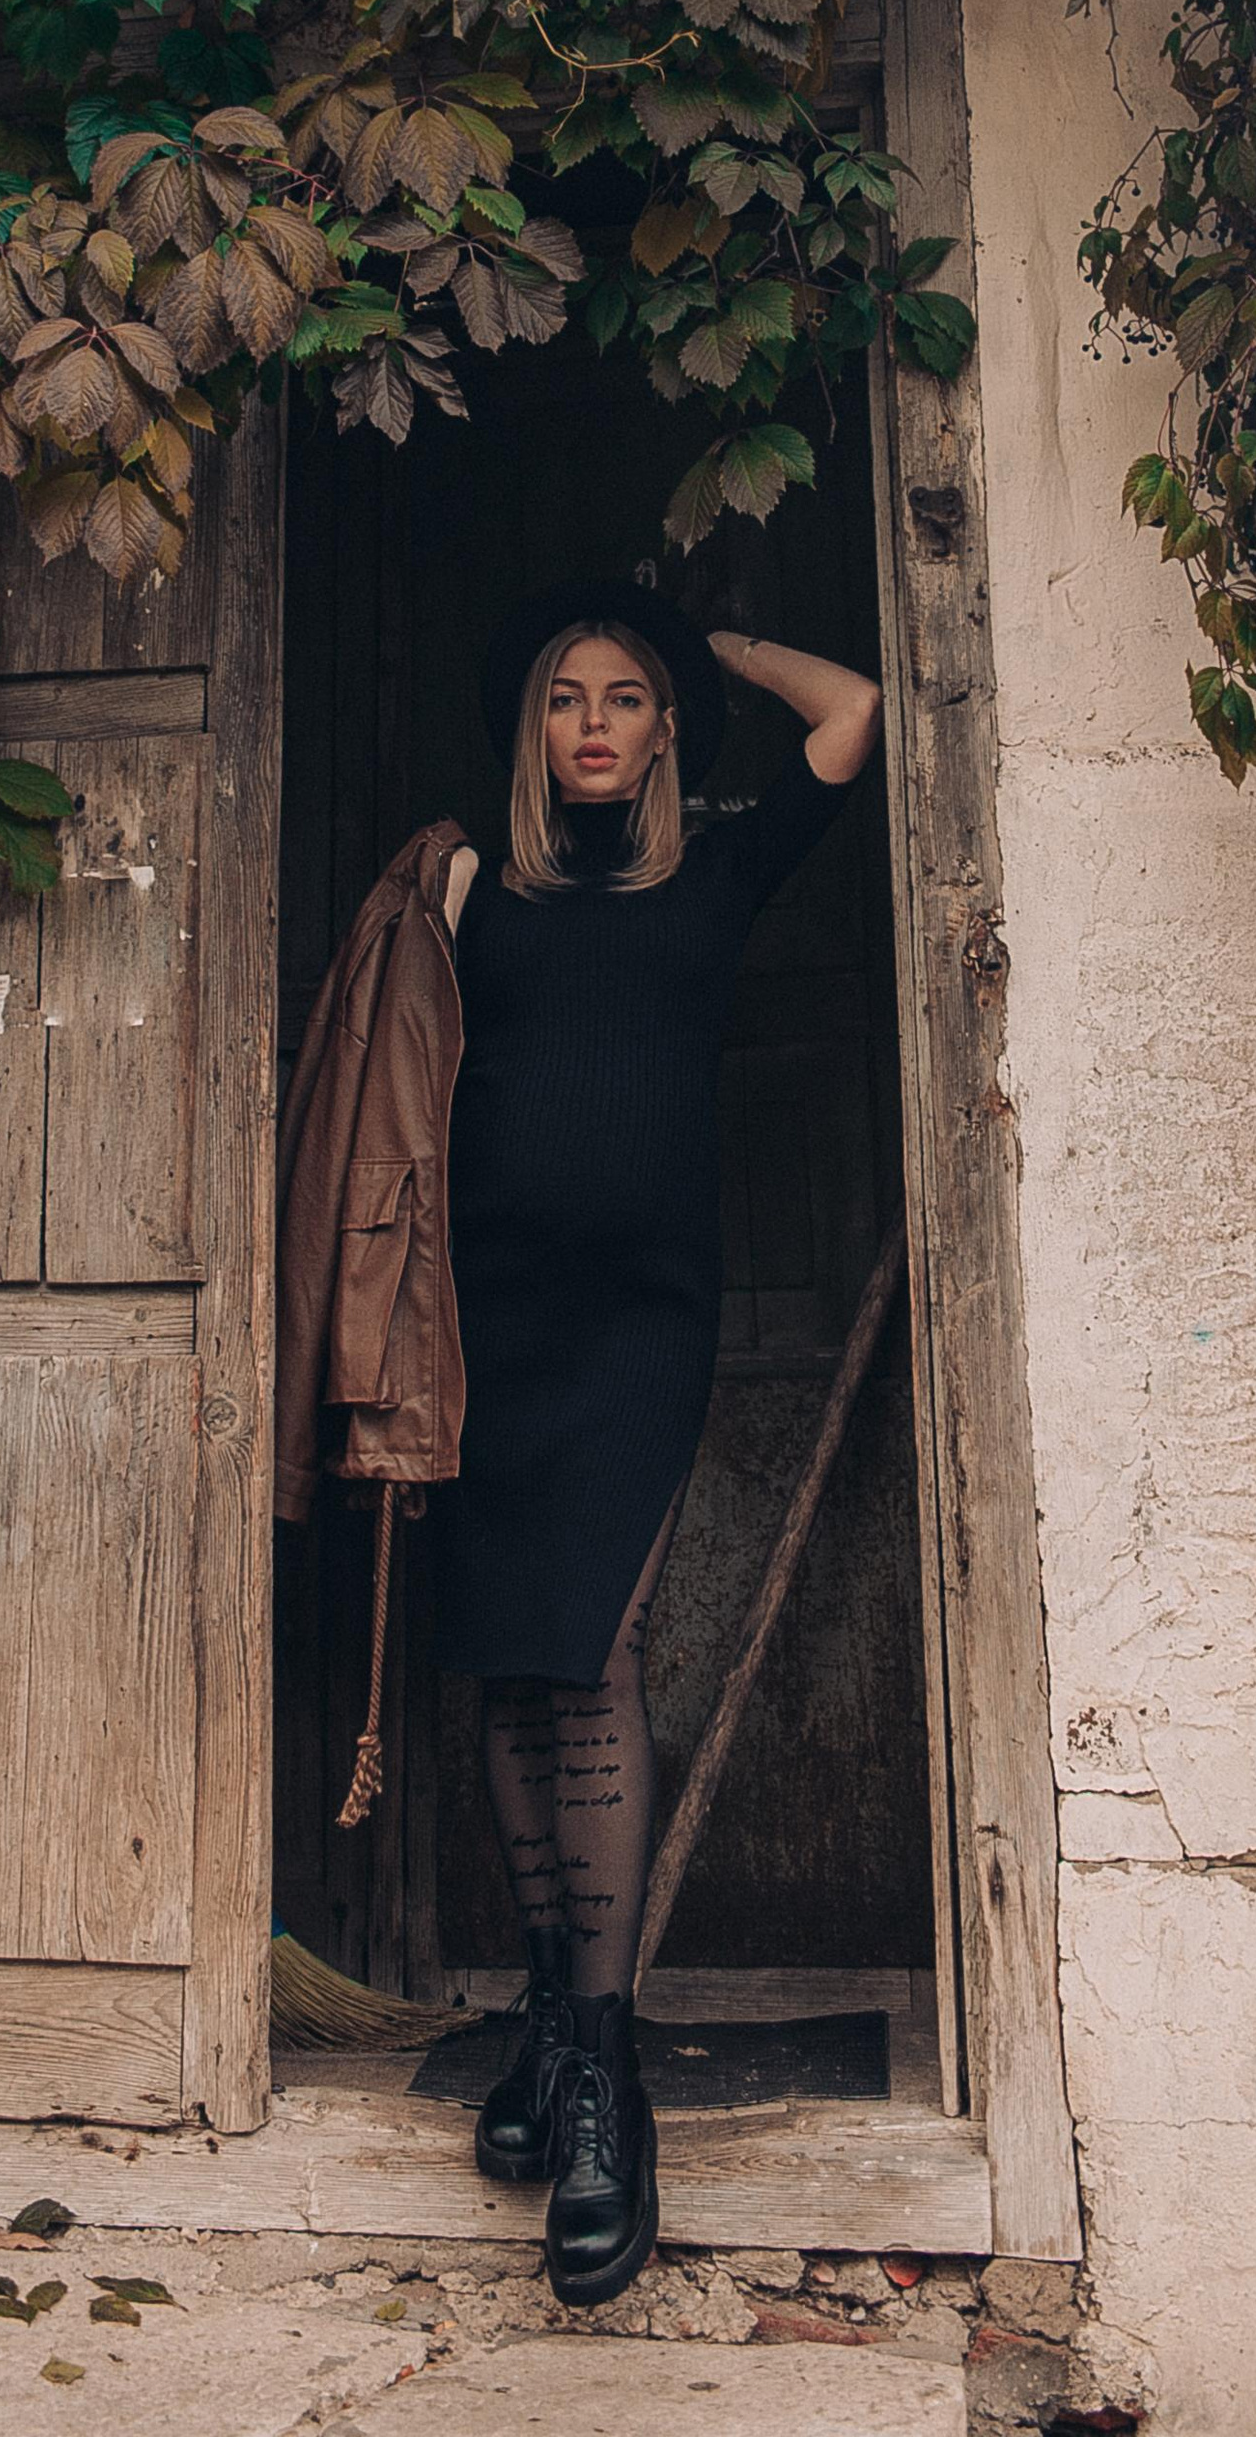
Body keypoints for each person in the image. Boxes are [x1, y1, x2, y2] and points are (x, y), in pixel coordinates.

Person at [434, 576, 881, 2305]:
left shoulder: (727, 861)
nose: (598, 723)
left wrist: (707, 647)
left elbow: (848, 712)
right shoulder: (475, 885)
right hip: (487, 1327)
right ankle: (547, 2024)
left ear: (667, 728)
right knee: (509, 1669)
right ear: (534, 733)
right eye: (568, 699)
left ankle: (608, 2076)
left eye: (627, 698)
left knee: (598, 1651)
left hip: (637, 1333)